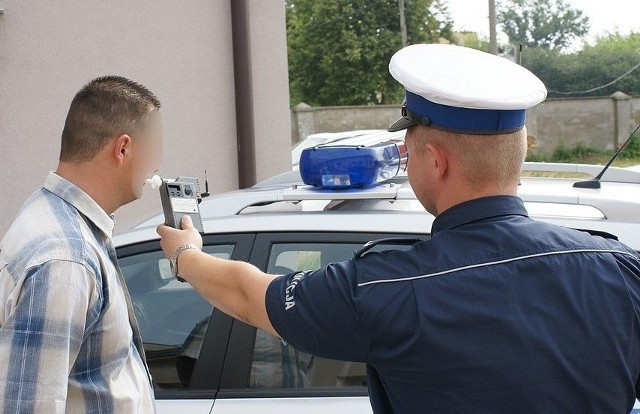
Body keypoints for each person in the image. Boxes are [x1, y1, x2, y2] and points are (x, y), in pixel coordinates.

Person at [156, 44, 640, 413]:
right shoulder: (621, 270)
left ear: (436, 160)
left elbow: (248, 295)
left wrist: (185, 255)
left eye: (408, 151)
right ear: (521, 153)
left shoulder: (384, 289)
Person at [0, 76, 163, 413]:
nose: (156, 166)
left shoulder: (56, 218)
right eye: (153, 149)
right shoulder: (65, 260)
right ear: (123, 149)